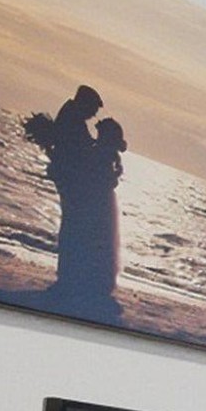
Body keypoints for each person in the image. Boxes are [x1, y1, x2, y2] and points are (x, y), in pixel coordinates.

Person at [22, 86, 123, 321]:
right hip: (73, 183)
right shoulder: (72, 119)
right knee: (74, 229)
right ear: (85, 103)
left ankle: (73, 278)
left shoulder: (72, 117)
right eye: (93, 109)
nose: (94, 115)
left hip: (73, 182)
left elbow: (82, 151)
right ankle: (70, 279)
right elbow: (80, 154)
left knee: (75, 229)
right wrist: (105, 147)